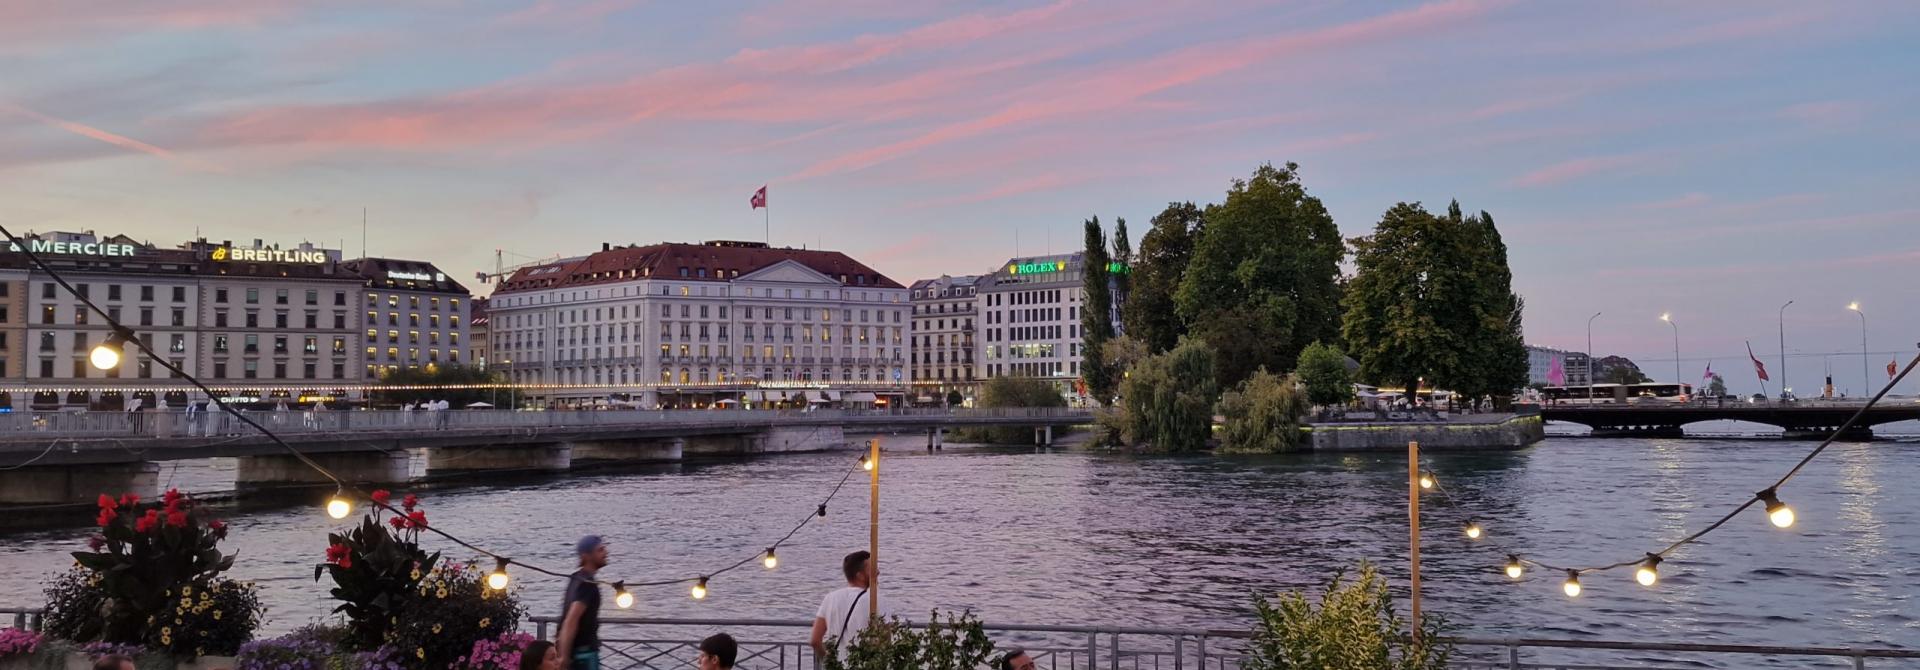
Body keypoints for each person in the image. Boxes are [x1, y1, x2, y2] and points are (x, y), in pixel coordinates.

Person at [809, 550, 876, 661]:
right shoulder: (876, 600)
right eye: (872, 570)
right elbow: (885, 642)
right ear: (860, 575)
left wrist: (829, 662)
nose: (877, 572)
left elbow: (815, 640)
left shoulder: (830, 598)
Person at [558, 535, 609, 669]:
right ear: (586, 556)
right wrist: (564, 657)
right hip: (583, 655)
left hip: (578, 653)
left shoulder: (576, 578)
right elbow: (571, 620)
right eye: (600, 550)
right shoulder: (587, 584)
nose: (606, 553)